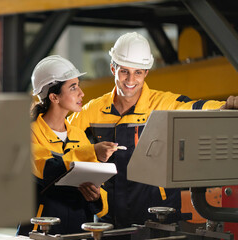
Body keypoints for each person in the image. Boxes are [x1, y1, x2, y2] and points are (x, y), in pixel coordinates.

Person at [68, 32, 238, 230]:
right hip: (108, 218)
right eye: (124, 71)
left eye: (138, 72)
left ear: (146, 72)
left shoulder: (161, 104)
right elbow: (62, 141)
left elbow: (197, 107)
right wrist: (91, 152)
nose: (131, 79)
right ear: (113, 68)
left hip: (159, 217)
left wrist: (226, 106)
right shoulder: (93, 110)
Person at [18, 55, 119, 235]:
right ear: (54, 97)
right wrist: (92, 151)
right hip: (41, 231)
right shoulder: (29, 134)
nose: (81, 93)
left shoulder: (78, 135)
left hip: (78, 230)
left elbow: (99, 191)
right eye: (73, 88)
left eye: (78, 85)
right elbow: (49, 169)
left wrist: (96, 196)